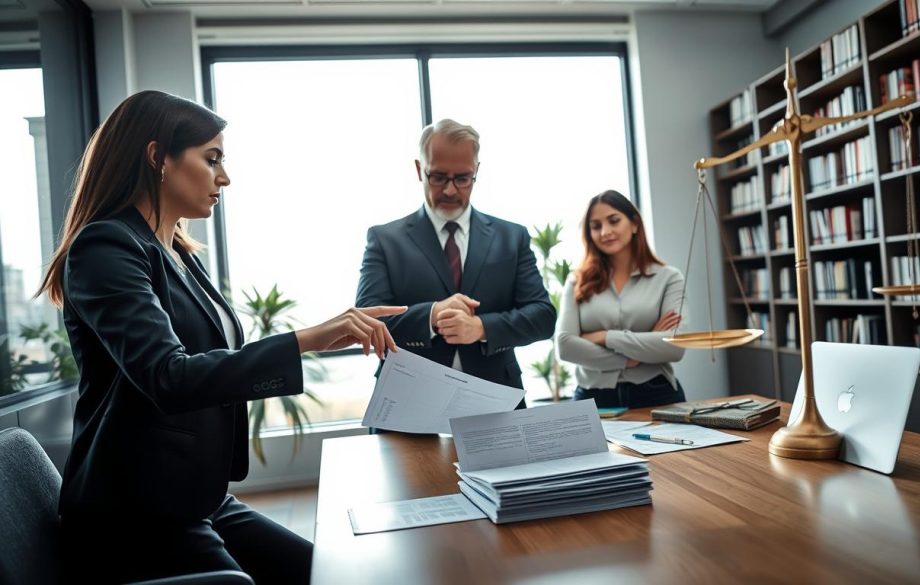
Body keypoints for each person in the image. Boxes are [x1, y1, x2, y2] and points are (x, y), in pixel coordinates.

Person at [37, 90, 405, 584]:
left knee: (332, 574)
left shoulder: (178, 253)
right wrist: (306, 340)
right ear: (157, 158)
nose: (224, 177)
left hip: (197, 501)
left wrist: (311, 339)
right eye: (211, 160)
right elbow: (169, 377)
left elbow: (213, 358)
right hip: (137, 516)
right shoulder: (105, 246)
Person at [356, 119, 555, 403]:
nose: (450, 190)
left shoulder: (512, 236)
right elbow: (366, 318)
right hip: (406, 402)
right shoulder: (384, 239)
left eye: (462, 178)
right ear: (418, 170)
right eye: (438, 177)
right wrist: (432, 314)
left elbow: (543, 317)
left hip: (496, 401)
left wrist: (482, 328)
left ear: (477, 172)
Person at [556, 190, 687, 409]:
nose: (605, 232)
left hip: (656, 393)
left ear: (635, 224)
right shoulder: (576, 281)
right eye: (596, 226)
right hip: (591, 397)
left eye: (614, 221)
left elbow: (674, 348)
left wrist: (603, 336)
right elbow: (565, 345)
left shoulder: (669, 278)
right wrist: (632, 358)